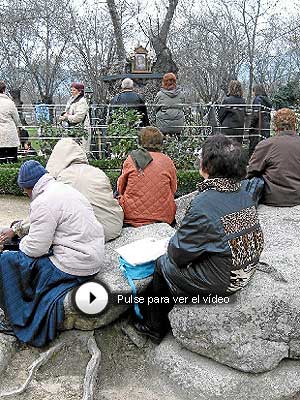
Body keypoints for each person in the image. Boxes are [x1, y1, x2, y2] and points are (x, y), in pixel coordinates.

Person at [134, 134, 264, 343]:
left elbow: (178, 255)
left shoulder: (204, 203)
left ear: (206, 166)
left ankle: (154, 327)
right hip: (245, 266)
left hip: (226, 280)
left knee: (162, 264)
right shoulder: (243, 193)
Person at [0, 160, 104, 347]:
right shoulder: (63, 190)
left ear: (29, 187)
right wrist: (17, 232)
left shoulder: (43, 202)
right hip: (92, 258)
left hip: (74, 264)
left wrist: (16, 245)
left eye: (24, 191)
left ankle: (16, 319)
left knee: (7, 261)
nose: (25, 194)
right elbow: (40, 223)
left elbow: (36, 248)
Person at [46, 138, 124, 242]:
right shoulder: (98, 172)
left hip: (87, 235)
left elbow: (46, 214)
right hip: (113, 228)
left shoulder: (61, 178)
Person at [117, 126, 177, 227]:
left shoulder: (131, 159)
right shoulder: (167, 161)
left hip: (131, 216)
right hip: (163, 216)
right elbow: (173, 189)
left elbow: (120, 188)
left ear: (140, 140)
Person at [247, 108, 300, 206]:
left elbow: (251, 171)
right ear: (294, 125)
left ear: (275, 126)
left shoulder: (266, 144)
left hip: (272, 197)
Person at [249, 84, 272, 156]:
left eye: (253, 91)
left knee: (254, 149)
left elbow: (256, 115)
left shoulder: (257, 99)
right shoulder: (267, 101)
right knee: (264, 148)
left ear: (255, 91)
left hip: (258, 127)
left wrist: (251, 126)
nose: (252, 94)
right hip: (266, 126)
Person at [0, 81, 20, 163]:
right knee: (12, 158)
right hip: (9, 134)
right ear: (4, 90)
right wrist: (19, 126)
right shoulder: (10, 103)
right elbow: (16, 119)